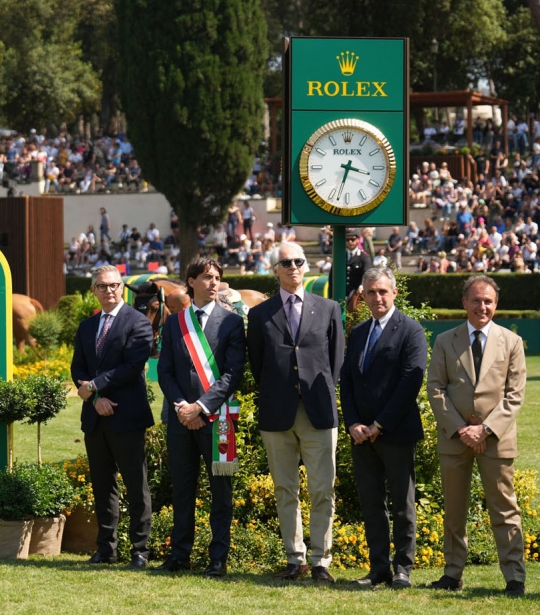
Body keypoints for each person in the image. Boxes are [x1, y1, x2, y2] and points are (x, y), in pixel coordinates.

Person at [246, 241, 343, 582]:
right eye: (285, 262)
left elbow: (336, 361)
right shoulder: (259, 314)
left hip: (318, 411)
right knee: (285, 489)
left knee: (322, 488)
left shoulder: (329, 309)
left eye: (298, 261)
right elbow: (258, 365)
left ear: (306, 265)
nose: (293, 267)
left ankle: (321, 561)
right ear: (275, 269)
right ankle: (294, 557)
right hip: (277, 414)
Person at [426, 275, 527, 597]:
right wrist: (461, 429)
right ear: (464, 303)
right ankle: (452, 573)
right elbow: (436, 388)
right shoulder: (445, 341)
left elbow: (515, 395)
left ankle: (514, 577)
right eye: (476, 300)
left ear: (495, 305)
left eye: (488, 301)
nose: (482, 306)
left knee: (505, 510)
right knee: (454, 512)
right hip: (455, 439)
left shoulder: (511, 342)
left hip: (496, 440)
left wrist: (484, 429)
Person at [155, 257, 245, 578]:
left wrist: (201, 407)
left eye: (217, 277)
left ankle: (218, 559)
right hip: (181, 422)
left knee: (222, 491)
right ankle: (180, 555)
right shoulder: (174, 323)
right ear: (191, 281)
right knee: (182, 488)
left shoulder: (232, 322)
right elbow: (164, 372)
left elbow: (234, 373)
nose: (213, 283)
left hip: (221, 421)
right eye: (207, 277)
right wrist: (182, 406)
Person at [339, 267, 427, 589]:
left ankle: (403, 568)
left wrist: (379, 424)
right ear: (363, 295)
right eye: (371, 292)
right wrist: (353, 424)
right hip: (362, 437)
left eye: (383, 291)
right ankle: (379, 570)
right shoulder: (359, 332)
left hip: (396, 433)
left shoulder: (411, 330)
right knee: (372, 504)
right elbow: (346, 380)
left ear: (394, 293)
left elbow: (410, 383)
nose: (378, 297)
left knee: (403, 504)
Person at [70, 265, 154, 568]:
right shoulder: (87, 327)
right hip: (96, 416)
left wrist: (95, 386)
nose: (109, 290)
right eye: (102, 286)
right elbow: (77, 368)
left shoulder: (138, 322)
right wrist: (95, 399)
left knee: (136, 485)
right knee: (102, 485)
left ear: (122, 288)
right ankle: (106, 549)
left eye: (114, 285)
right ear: (93, 290)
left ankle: (140, 550)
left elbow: (132, 366)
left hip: (127, 416)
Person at [345, 231, 372, 298]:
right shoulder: (340, 256)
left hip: (356, 292)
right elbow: (332, 276)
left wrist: (362, 286)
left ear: (358, 240)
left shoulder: (364, 256)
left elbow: (367, 274)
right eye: (347, 240)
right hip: (342, 291)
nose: (350, 242)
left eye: (352, 239)